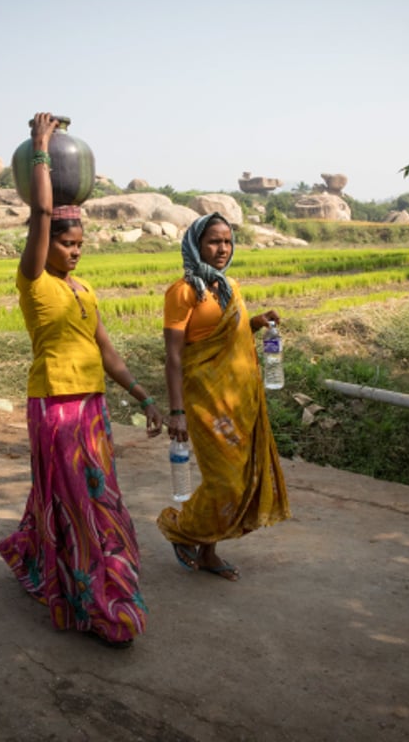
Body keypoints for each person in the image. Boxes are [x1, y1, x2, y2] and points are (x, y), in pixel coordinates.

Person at [0, 112, 164, 648]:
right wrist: (41, 145)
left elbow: (109, 354)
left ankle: (34, 553)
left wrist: (145, 398)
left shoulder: (84, 291)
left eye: (79, 243)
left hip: (91, 408)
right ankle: (96, 599)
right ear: (45, 244)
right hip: (56, 407)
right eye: (66, 243)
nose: (74, 249)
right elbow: (42, 209)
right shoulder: (33, 281)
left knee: (86, 496)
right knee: (84, 504)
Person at [158, 212, 291, 581]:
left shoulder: (229, 287)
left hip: (240, 400)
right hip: (204, 403)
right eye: (214, 241)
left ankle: (208, 551)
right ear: (196, 244)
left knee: (240, 477)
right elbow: (174, 355)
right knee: (224, 482)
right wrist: (177, 412)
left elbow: (229, 335)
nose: (222, 248)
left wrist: (256, 322)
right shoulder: (182, 292)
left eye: (228, 241)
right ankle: (180, 528)